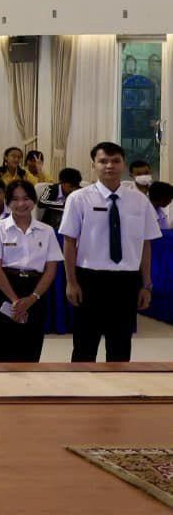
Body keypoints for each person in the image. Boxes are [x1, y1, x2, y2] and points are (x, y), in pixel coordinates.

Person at [61, 141, 160, 362]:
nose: (109, 166)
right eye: (103, 161)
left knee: (120, 346)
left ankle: (117, 395)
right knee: (84, 346)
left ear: (123, 165)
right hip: (89, 279)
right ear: (93, 165)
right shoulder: (78, 199)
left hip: (126, 281)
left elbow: (145, 244)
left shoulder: (140, 201)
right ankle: (81, 394)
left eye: (115, 161)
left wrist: (146, 285)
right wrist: (71, 281)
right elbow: (69, 242)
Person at [0, 179, 62, 363]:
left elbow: (51, 269)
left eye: (26, 198)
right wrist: (15, 301)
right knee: (0, 347)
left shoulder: (47, 231)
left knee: (30, 347)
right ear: (8, 202)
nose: (20, 204)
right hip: (4, 289)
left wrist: (33, 298)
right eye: (15, 199)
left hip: (36, 291)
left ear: (34, 200)